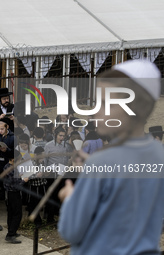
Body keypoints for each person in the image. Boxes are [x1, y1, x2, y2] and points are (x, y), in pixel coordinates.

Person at [58, 60, 164, 255]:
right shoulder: (159, 155)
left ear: (136, 109)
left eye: (106, 103)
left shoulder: (102, 162)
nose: (95, 111)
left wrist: (71, 199)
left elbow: (71, 230)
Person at [3, 149, 26, 244]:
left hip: (8, 194)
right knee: (17, 214)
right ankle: (11, 234)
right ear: (13, 160)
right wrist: (24, 180)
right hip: (14, 193)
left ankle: (11, 231)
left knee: (11, 213)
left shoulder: (6, 167)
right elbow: (16, 185)